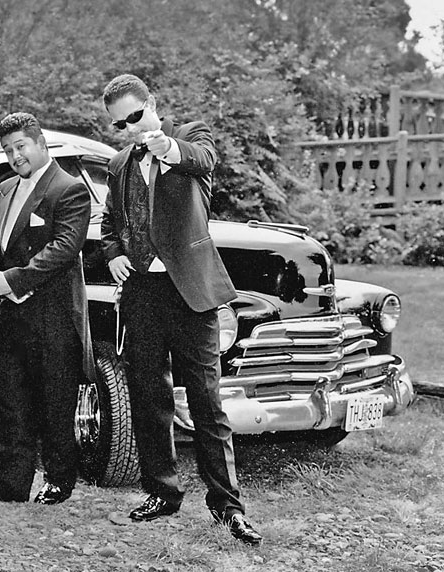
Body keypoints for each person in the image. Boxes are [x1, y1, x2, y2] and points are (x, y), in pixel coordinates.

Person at [100, 74, 262, 545]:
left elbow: (202, 158)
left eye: (135, 116)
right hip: (142, 294)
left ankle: (228, 507)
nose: (129, 128)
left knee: (206, 403)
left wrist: (166, 146)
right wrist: (112, 253)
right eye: (119, 124)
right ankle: (161, 492)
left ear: (152, 104)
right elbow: (109, 220)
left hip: (190, 292)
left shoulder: (191, 137)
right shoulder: (119, 164)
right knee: (149, 398)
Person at [0, 112, 94, 504]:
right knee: (9, 402)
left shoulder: (69, 189)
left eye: (21, 146)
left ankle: (59, 480)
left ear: (40, 143)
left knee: (54, 402)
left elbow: (64, 248)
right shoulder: (4, 189)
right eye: (8, 149)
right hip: (10, 313)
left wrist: (16, 281)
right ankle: (11, 483)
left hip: (53, 315)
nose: (15, 155)